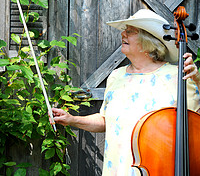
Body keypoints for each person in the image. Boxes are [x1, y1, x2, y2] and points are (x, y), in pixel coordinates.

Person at [50, 9, 200, 176]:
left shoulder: (178, 76)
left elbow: (195, 127)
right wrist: (71, 119)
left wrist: (198, 80)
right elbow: (106, 120)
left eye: (130, 31)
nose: (123, 34)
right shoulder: (116, 76)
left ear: (147, 41)